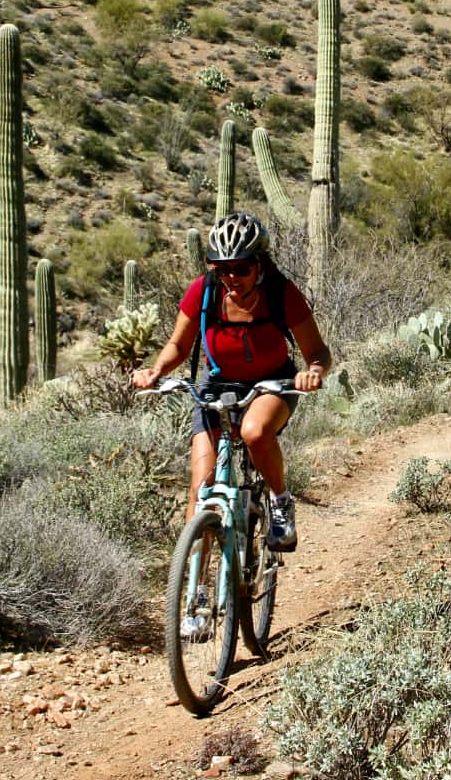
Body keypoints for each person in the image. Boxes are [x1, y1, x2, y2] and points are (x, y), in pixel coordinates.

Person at [131, 211, 331, 553]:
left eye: (241, 268)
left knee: (254, 431)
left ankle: (280, 501)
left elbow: (318, 352)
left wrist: (312, 372)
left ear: (260, 264)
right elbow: (179, 345)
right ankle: (199, 590)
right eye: (222, 268)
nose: (232, 277)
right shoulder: (204, 291)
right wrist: (157, 371)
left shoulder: (281, 293)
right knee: (200, 492)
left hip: (273, 383)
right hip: (218, 384)